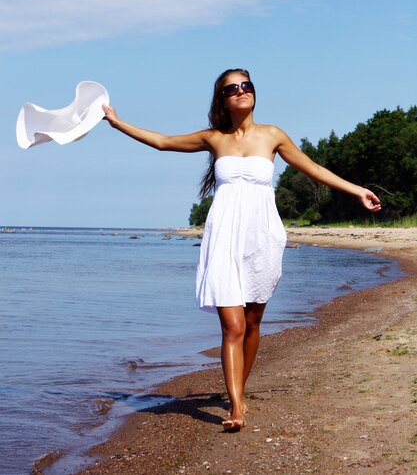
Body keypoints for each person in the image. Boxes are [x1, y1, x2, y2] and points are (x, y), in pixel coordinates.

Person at [102, 68, 381, 432]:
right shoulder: (213, 138)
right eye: (231, 88)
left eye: (245, 86)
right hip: (223, 239)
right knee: (232, 325)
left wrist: (357, 190)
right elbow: (163, 141)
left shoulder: (273, 135)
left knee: (252, 322)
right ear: (222, 99)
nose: (240, 91)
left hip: (263, 237)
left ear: (253, 92)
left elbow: (313, 169)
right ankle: (236, 408)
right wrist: (118, 122)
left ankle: (240, 389)